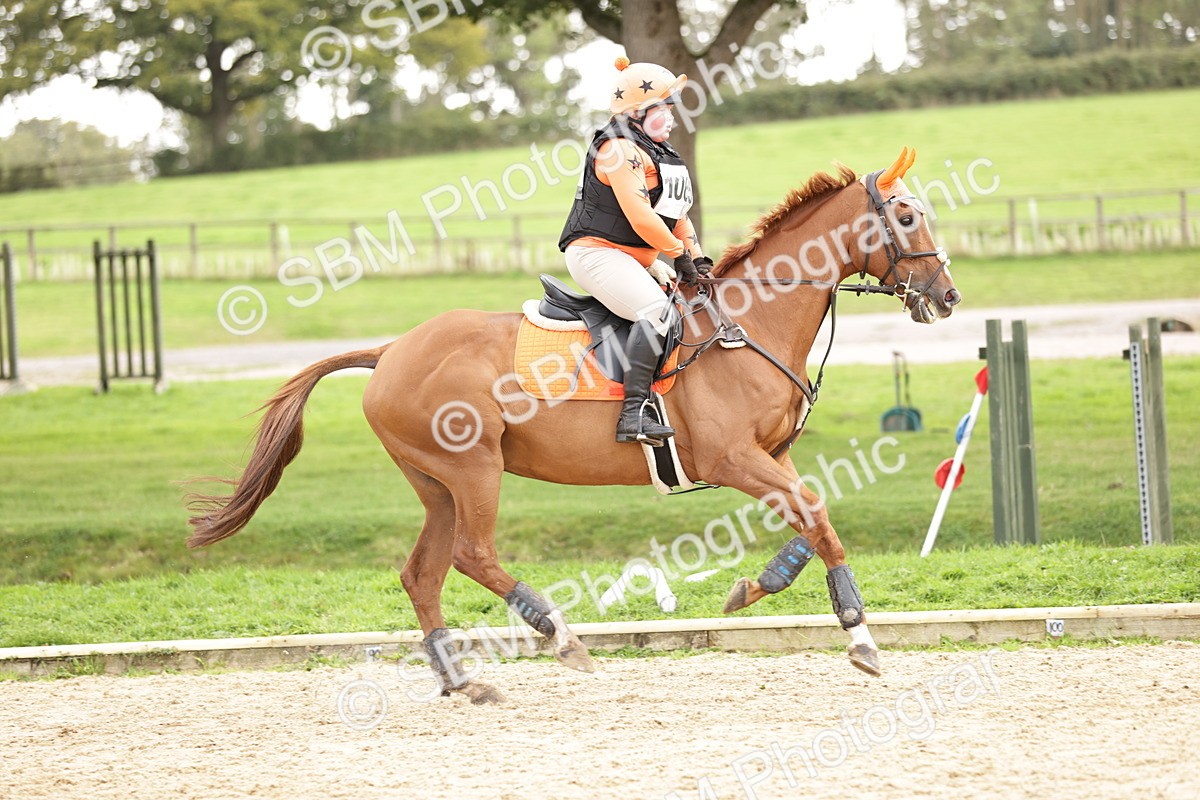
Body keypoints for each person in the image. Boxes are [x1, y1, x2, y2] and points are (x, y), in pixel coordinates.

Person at [558, 56, 712, 447]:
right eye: (663, 109)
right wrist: (676, 255)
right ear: (638, 112)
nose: (672, 118)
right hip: (597, 253)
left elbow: (679, 215)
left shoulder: (661, 153)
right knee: (658, 314)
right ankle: (633, 415)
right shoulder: (618, 150)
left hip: (633, 259)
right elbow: (640, 214)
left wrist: (696, 257)